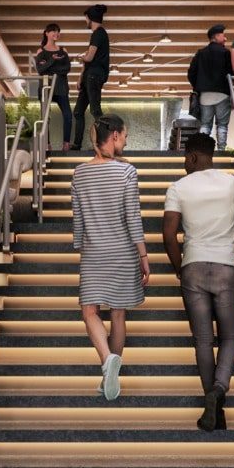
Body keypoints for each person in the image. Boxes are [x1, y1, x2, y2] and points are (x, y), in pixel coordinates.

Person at [162, 132, 234, 431]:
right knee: (229, 338)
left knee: (203, 340)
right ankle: (219, 390)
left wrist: (180, 266)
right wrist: (225, 237)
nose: (183, 165)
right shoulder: (233, 183)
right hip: (226, 267)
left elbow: (168, 234)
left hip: (193, 267)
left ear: (191, 157)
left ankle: (210, 403)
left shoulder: (178, 188)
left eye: (184, 159)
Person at [71, 115, 146, 401]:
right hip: (124, 251)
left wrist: (81, 246)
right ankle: (111, 365)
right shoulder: (127, 173)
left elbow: (78, 219)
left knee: (89, 311)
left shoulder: (79, 173)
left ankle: (107, 364)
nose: (125, 141)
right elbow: (133, 218)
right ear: (114, 136)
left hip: (94, 252)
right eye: (124, 136)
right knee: (118, 312)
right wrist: (143, 255)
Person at [186, 25, 234, 147]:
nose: (225, 38)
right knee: (222, 125)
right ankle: (222, 150)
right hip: (222, 94)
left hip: (205, 96)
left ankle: (203, 149)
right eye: (223, 35)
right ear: (217, 36)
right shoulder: (225, 53)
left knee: (205, 125)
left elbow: (191, 73)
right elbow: (231, 74)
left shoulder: (201, 53)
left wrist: (198, 86)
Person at [71, 4, 111, 149]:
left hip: (93, 76)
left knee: (95, 110)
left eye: (86, 19)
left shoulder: (98, 33)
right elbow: (89, 60)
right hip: (90, 76)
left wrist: (81, 56)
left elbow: (89, 57)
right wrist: (80, 77)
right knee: (78, 111)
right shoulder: (99, 34)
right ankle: (76, 144)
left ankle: (104, 143)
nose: (85, 21)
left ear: (90, 18)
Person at [32, 23, 73, 153]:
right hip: (46, 87)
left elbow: (66, 68)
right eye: (53, 31)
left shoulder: (63, 50)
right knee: (45, 117)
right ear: (46, 33)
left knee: (68, 115)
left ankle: (66, 143)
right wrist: (53, 60)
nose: (56, 34)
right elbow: (40, 69)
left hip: (61, 87)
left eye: (58, 32)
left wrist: (49, 66)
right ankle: (47, 144)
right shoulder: (41, 51)